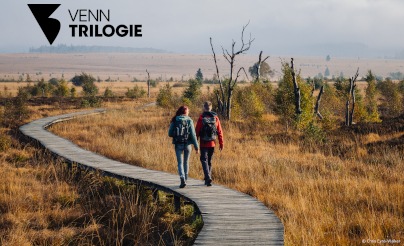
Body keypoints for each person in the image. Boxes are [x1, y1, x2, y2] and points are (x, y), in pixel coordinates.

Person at [168, 106, 199, 188]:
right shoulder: (189, 120)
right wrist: (196, 147)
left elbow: (169, 133)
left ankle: (182, 177)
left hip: (178, 144)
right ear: (186, 112)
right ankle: (185, 179)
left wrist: (176, 134)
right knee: (186, 162)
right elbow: (193, 135)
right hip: (188, 144)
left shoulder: (175, 120)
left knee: (180, 163)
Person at [195, 101, 224, 186]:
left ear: (204, 108)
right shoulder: (215, 118)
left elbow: (197, 131)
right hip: (212, 143)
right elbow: (220, 131)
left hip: (203, 143)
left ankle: (207, 177)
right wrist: (221, 143)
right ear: (211, 108)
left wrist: (195, 142)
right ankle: (208, 177)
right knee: (209, 161)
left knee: (204, 159)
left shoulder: (201, 118)